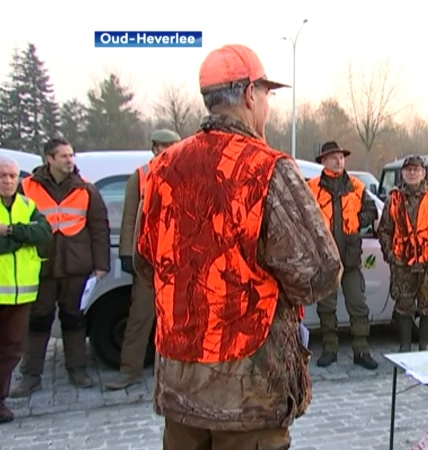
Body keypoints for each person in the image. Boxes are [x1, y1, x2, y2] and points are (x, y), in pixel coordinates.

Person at [134, 43, 342, 449]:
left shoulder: (160, 169)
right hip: (248, 395)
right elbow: (320, 270)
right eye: (266, 94)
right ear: (250, 94)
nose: (267, 105)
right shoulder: (266, 168)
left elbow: (147, 263)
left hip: (180, 390)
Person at [10, 138, 111, 396]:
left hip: (76, 266)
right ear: (49, 159)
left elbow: (99, 228)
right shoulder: (26, 187)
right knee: (37, 321)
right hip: (41, 266)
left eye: (71, 155)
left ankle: (76, 369)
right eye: (64, 156)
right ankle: (31, 375)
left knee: (75, 320)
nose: (70, 160)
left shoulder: (86, 188)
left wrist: (101, 265)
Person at [104, 129, 182, 390]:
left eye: (172, 145)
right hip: (149, 258)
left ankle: (179, 373)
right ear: (154, 147)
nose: (167, 149)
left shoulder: (188, 171)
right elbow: (129, 218)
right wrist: (127, 253)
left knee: (180, 320)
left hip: (179, 260)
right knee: (140, 316)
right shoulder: (140, 176)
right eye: (163, 145)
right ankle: (130, 370)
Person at [308, 141, 379, 370]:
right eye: (333, 157)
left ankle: (361, 351)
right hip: (325, 260)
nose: (339, 161)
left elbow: (372, 211)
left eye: (341, 157)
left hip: (350, 260)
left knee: (358, 306)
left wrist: (359, 221)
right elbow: (301, 216)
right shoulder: (312, 187)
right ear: (323, 161)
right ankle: (330, 350)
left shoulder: (356, 186)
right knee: (326, 307)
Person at [376, 155, 428, 353]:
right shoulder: (394, 198)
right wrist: (390, 255)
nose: (412, 173)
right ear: (402, 173)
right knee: (403, 304)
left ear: (423, 173)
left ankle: (424, 346)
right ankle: (405, 347)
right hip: (402, 262)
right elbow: (384, 229)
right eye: (408, 170)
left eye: (416, 170)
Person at [0, 156, 52, 424]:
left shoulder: (27, 205)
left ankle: (0, 401)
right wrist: (21, 238)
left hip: (21, 293)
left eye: (12, 176)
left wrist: (9, 231)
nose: (8, 181)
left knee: (12, 349)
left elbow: (44, 233)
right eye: (2, 176)